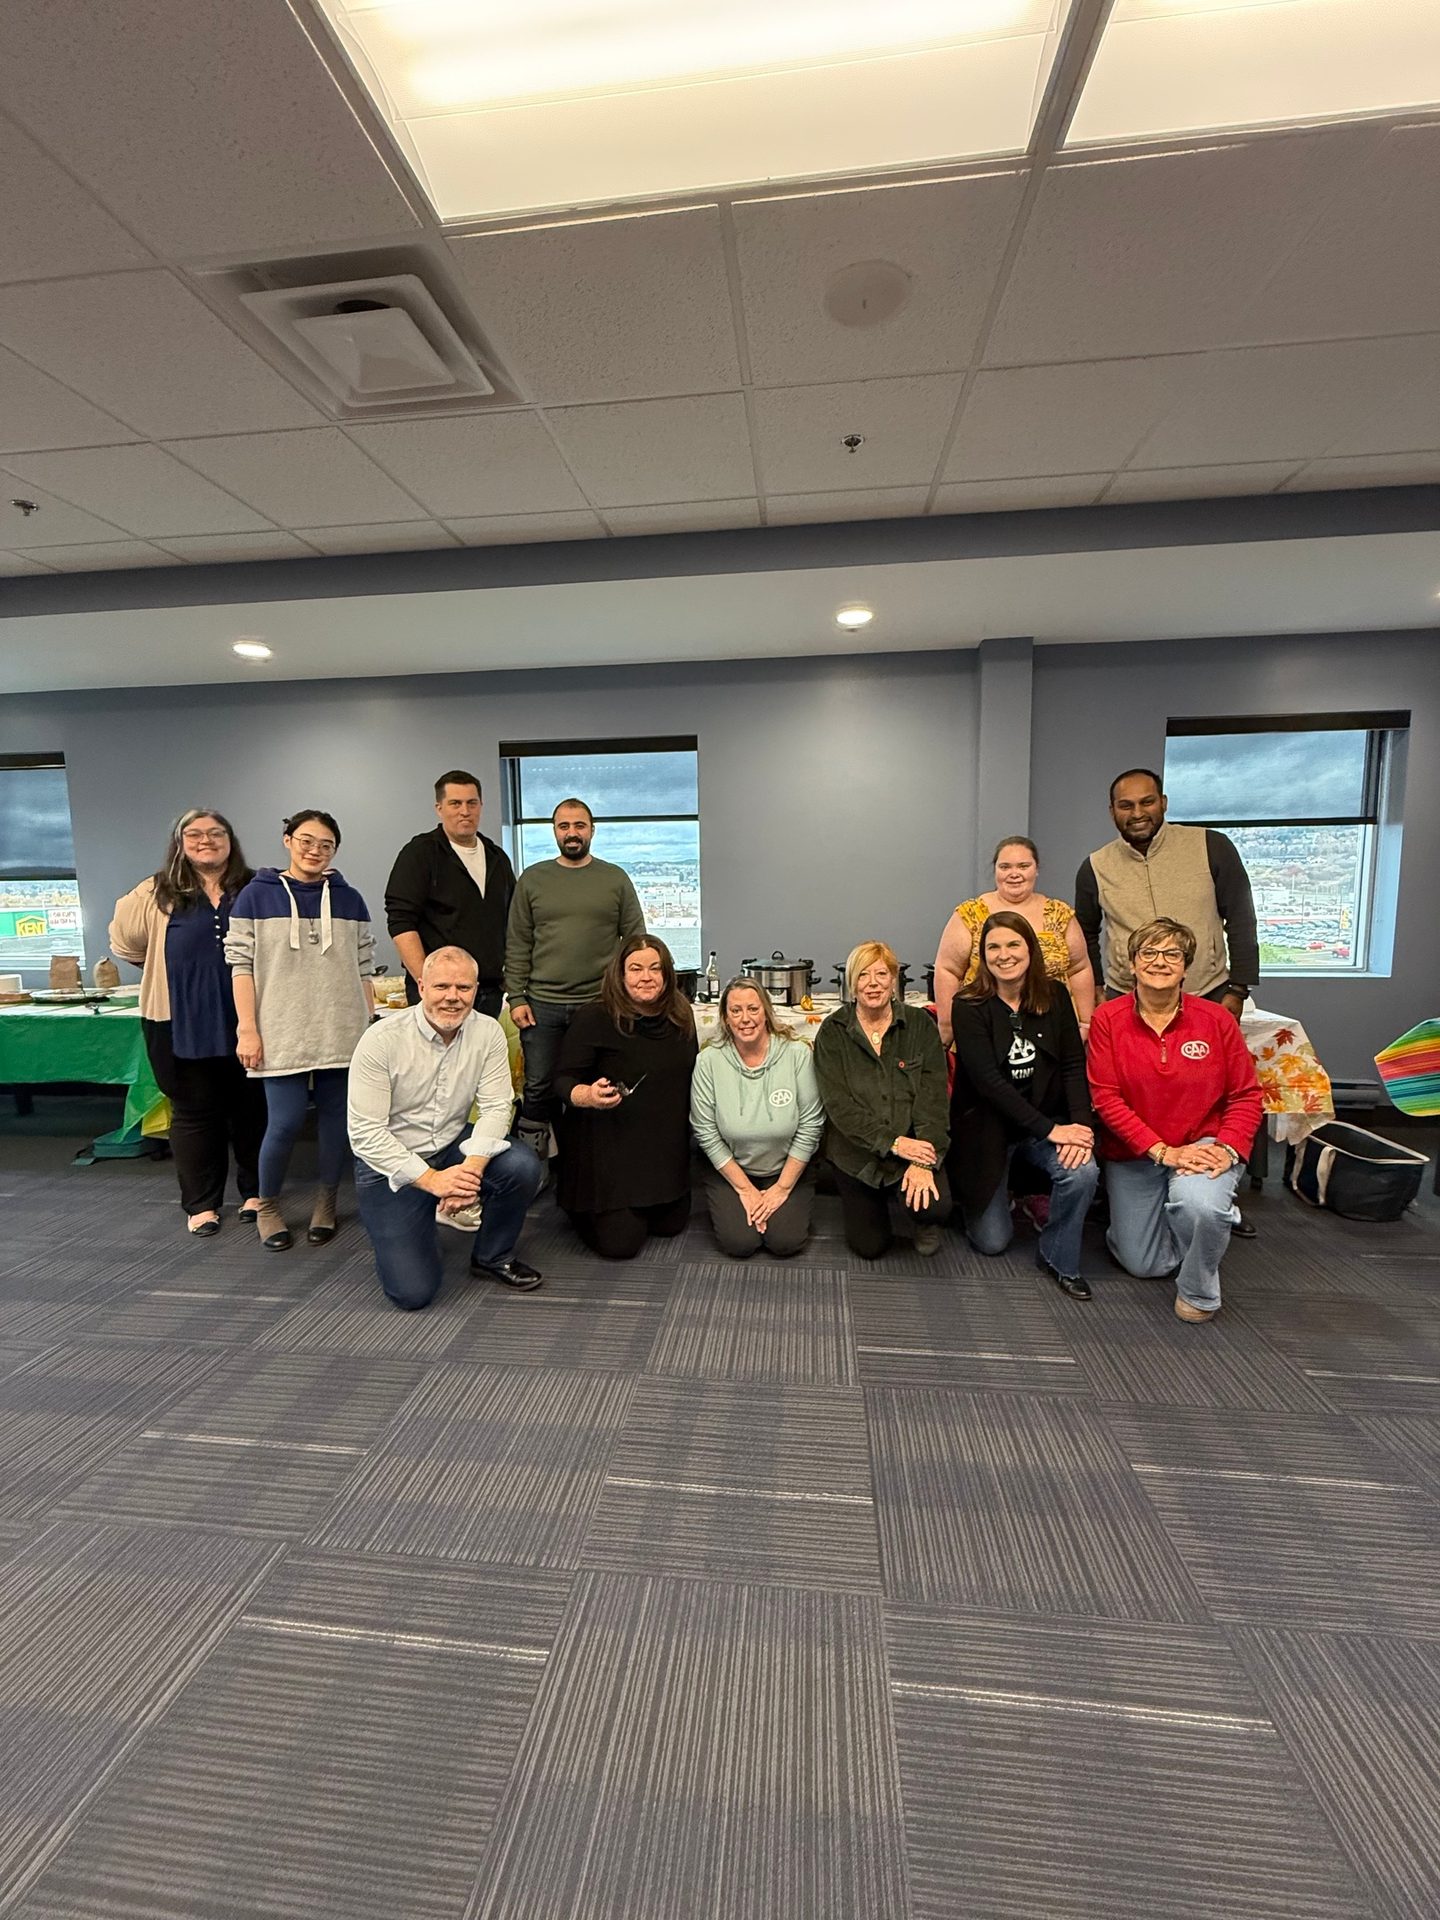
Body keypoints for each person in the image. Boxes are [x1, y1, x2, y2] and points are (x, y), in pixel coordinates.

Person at [1077, 766, 1262, 1235]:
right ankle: (1136, 1189)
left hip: (1208, 993)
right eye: (1126, 805)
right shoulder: (1096, 865)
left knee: (1217, 1095)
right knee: (1133, 1095)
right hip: (1127, 998)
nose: (1137, 813)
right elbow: (1085, 932)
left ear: (1163, 802)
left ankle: (1216, 1190)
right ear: (1112, 812)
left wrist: (1239, 988)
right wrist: (1099, 990)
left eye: (1146, 802)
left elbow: (1241, 914)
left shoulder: (1209, 846)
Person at [1087, 917, 1264, 1323]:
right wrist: (1163, 1152)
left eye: (1172, 954)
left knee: (1198, 1206)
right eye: (1148, 952)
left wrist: (1228, 1147)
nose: (1160, 962)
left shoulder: (1216, 1020)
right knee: (1144, 1264)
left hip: (1204, 1144)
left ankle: (1199, 1290)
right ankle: (1210, 1222)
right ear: (1132, 964)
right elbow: (1106, 1098)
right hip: (1137, 1153)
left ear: (1186, 966)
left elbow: (1245, 1095)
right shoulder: (1108, 1020)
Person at [348, 947, 544, 1307]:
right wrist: (434, 1182)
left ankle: (492, 1256)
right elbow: (366, 1134)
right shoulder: (381, 1040)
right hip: (390, 1162)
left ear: (475, 990)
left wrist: (470, 1171)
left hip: (452, 1146)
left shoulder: (486, 1032)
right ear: (421, 987)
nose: (453, 997)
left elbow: (498, 1106)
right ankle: (415, 1212)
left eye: (463, 988)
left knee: (522, 1165)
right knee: (413, 1293)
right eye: (441, 986)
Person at [108, 808, 268, 1236]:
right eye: (194, 834)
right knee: (195, 1112)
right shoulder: (154, 891)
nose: (205, 840)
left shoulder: (256, 886)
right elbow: (126, 943)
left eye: (216, 833)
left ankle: (255, 1193)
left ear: (230, 841)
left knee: (252, 1109)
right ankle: (202, 1204)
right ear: (179, 843)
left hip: (250, 1019)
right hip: (179, 1020)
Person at [225, 809, 375, 1250]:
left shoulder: (350, 899)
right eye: (306, 840)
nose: (315, 850)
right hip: (281, 1029)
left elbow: (364, 968)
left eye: (325, 844)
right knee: (285, 1122)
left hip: (342, 1028)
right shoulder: (255, 896)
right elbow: (240, 967)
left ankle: (326, 1201)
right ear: (288, 840)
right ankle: (268, 1205)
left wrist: (369, 1025)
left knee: (336, 1124)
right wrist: (247, 1030)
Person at [947, 912, 1099, 1299]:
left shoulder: (1056, 995)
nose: (1004, 955)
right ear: (982, 956)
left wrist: (1080, 1130)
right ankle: (979, 1201)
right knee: (992, 1242)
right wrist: (1052, 1131)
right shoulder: (968, 1005)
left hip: (1048, 1120)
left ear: (1030, 948)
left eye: (1013, 944)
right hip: (988, 1129)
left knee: (1082, 1172)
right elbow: (990, 1084)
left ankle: (1058, 1257)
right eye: (993, 947)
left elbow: (1071, 1064)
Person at [504, 796, 646, 1160]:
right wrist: (516, 998)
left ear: (592, 830)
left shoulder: (615, 879)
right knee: (538, 1087)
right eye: (564, 826)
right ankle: (534, 1166)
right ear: (554, 831)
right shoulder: (533, 879)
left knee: (599, 1084)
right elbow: (518, 942)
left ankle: (594, 1161)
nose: (572, 833)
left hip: (599, 1005)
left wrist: (631, 995)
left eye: (579, 825)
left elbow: (635, 942)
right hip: (541, 1006)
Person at [553, 935, 697, 1259]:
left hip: (662, 1152)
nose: (646, 977)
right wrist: (587, 1095)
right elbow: (561, 1080)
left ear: (667, 974)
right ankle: (579, 1205)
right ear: (619, 974)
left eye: (655, 968)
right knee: (621, 1245)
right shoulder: (595, 1017)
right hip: (609, 1152)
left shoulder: (681, 1015)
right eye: (635, 968)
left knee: (671, 1225)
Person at [813, 940, 951, 1258]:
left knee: (936, 1206)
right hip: (857, 1154)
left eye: (881, 974)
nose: (872, 983)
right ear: (852, 983)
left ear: (893, 980)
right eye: (863, 975)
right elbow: (839, 1107)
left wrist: (919, 1159)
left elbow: (933, 1099)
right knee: (869, 1247)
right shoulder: (832, 1032)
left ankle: (923, 1219)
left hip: (913, 1147)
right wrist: (892, 1142)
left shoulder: (920, 1026)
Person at [690, 977, 825, 1257]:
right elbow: (704, 1130)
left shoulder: (797, 1053)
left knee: (784, 1242)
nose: (745, 1019)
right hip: (732, 1168)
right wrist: (746, 1190)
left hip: (787, 1167)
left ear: (766, 1012)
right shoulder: (708, 1061)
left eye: (753, 1009)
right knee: (739, 1243)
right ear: (725, 1018)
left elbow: (812, 1124)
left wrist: (782, 1188)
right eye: (735, 1011)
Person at [934, 836, 1096, 1044]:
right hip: (983, 1031)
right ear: (996, 870)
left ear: (1036, 869)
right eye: (1005, 867)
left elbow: (1079, 968)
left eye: (1023, 866)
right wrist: (948, 1026)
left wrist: (1084, 1024)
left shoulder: (1059, 914)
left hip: (1052, 1030)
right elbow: (948, 969)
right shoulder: (971, 914)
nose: (1014, 874)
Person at [383, 770, 515, 1017]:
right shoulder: (420, 854)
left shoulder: (497, 858)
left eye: (471, 803)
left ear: (480, 806)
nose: (465, 811)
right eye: (455, 803)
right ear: (439, 808)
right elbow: (401, 922)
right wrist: (427, 983)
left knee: (480, 1056)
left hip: (487, 990)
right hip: (438, 994)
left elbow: (512, 922)